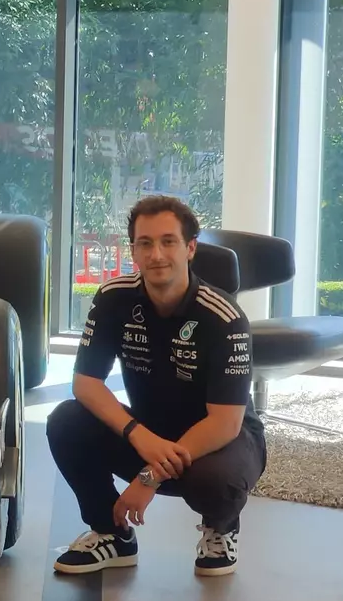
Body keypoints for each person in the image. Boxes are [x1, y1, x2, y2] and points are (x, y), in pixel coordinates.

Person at [48, 195, 267, 577]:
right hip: (149, 432)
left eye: (168, 241)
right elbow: (85, 383)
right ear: (133, 250)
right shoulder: (113, 298)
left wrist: (149, 477)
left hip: (218, 443)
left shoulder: (224, 317)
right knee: (66, 421)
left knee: (217, 482)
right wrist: (138, 435)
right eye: (145, 243)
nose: (156, 254)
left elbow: (224, 423)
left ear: (190, 248)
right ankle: (112, 534)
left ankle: (221, 527)